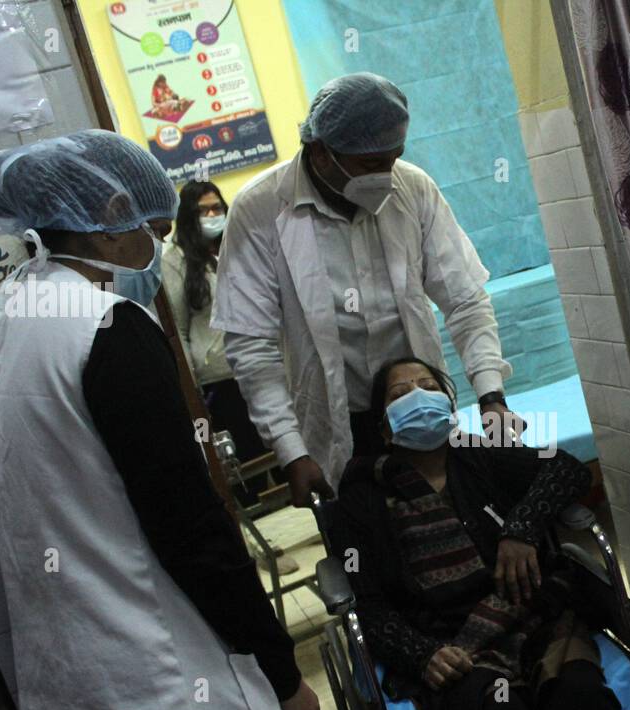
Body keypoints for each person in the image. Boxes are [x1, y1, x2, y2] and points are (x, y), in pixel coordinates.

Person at [0, 130, 342, 710]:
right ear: (107, 219)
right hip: (173, 691)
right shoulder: (108, 331)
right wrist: (282, 670)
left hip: (85, 700)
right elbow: (192, 529)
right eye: (151, 226)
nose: (158, 243)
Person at [329, 357, 630, 710]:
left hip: (533, 617)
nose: (417, 396)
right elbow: (367, 604)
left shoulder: (480, 458)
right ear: (384, 428)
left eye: (428, 386)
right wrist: (423, 654)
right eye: (400, 393)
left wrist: (520, 529)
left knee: (582, 704)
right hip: (450, 641)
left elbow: (565, 469)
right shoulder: (362, 501)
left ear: (449, 404)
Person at [213, 72, 523, 508]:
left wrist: (492, 395)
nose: (384, 175)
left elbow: (465, 301)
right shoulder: (261, 208)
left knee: (455, 525)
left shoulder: (412, 187)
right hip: (337, 422)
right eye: (367, 164)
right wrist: (290, 451)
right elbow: (251, 346)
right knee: (368, 543)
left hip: (422, 408)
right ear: (320, 151)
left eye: (392, 159)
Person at [162, 180, 273, 503]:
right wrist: (190, 385)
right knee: (246, 463)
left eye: (217, 208)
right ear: (187, 217)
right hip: (220, 379)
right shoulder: (175, 261)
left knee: (279, 450)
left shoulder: (238, 246)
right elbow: (179, 330)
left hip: (262, 363)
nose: (212, 215)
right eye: (203, 211)